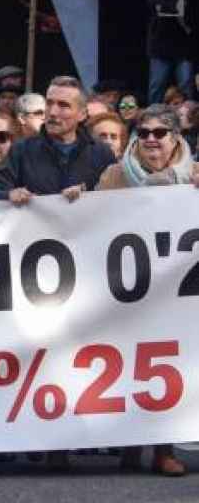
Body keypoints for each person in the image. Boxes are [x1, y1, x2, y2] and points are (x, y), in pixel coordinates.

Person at [95, 104, 192, 477]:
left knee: (168, 368)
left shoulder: (195, 177)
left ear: (176, 138)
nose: (151, 139)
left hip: (176, 292)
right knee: (128, 361)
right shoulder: (114, 175)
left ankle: (164, 448)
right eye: (144, 133)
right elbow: (89, 223)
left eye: (159, 133)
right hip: (126, 286)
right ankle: (131, 443)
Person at [0, 77, 115, 207]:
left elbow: (117, 199)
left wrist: (86, 192)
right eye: (49, 103)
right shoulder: (20, 150)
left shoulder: (101, 153)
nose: (53, 112)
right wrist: (9, 194)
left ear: (82, 114)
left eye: (63, 105)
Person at [146, 0, 196, 105]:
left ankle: (189, 117)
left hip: (183, 46)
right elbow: (154, 3)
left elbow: (193, 9)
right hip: (161, 44)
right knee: (157, 85)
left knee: (186, 84)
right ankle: (152, 116)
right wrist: (176, 6)